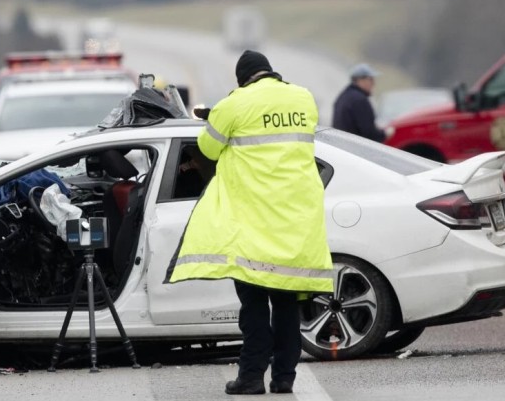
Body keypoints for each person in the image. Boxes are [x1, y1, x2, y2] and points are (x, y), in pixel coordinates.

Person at [165, 50, 333, 395]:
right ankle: (284, 378)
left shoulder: (235, 103)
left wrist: (218, 119)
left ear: (242, 79)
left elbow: (207, 149)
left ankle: (252, 377)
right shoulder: (303, 98)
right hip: (295, 219)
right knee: (287, 305)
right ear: (270, 72)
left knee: (254, 307)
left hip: (254, 222)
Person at [332, 63, 386, 142]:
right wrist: (384, 134)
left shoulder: (343, 96)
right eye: (370, 79)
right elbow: (368, 133)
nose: (373, 83)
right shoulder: (359, 100)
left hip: (342, 144)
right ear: (360, 80)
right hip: (354, 147)